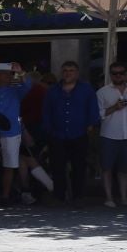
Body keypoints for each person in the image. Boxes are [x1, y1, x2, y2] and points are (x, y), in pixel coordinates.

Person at [40, 61, 99, 203]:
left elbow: (93, 109)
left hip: (79, 134)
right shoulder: (53, 90)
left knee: (79, 167)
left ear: (77, 73)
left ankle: (78, 196)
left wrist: (91, 126)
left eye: (71, 70)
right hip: (57, 135)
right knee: (57, 167)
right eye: (65, 70)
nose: (68, 73)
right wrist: (49, 130)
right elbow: (46, 112)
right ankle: (59, 196)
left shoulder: (86, 89)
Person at [0, 64, 28, 206]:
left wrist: (20, 72)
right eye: (0, 73)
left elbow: (27, 85)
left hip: (12, 132)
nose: (3, 76)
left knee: (9, 165)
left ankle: (5, 195)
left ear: (11, 76)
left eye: (6, 74)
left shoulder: (17, 91)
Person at [100, 60, 127, 208]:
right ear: (110, 75)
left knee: (124, 169)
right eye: (115, 73)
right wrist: (114, 107)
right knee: (107, 168)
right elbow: (97, 114)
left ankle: (124, 197)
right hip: (109, 135)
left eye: (121, 73)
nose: (118, 76)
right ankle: (109, 198)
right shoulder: (102, 92)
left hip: (126, 135)